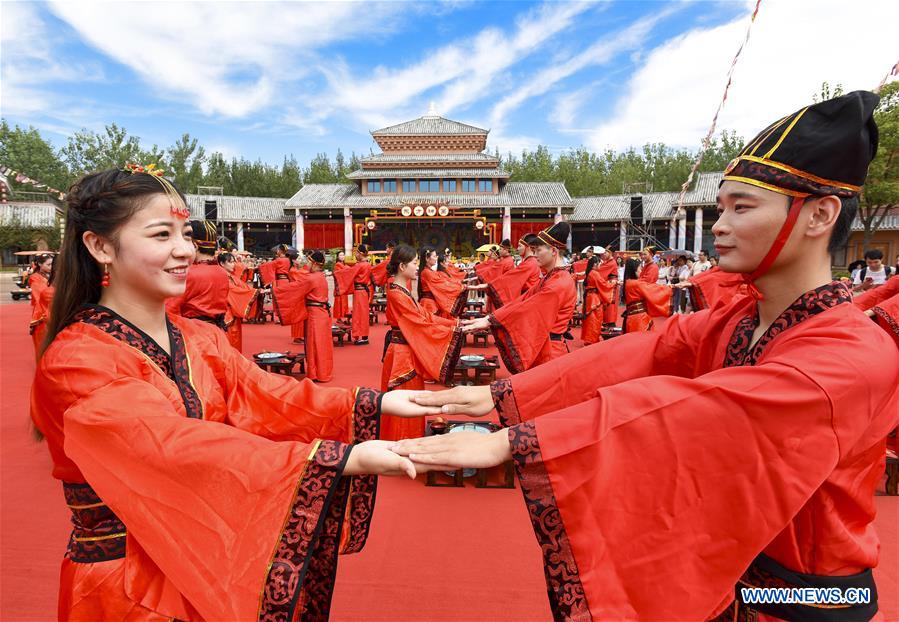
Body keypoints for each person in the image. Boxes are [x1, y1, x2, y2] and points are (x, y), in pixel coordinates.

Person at [392, 91, 898, 621]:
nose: (719, 226)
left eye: (741, 208)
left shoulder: (852, 353)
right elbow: (646, 351)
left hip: (805, 598)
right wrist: (500, 394)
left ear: (820, 215)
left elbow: (708, 410)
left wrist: (517, 440)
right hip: (726, 573)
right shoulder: (740, 320)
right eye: (720, 207)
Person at [31, 165, 425, 621]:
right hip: (124, 582)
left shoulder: (199, 338)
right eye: (162, 235)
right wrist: (338, 459)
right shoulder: (76, 360)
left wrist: (375, 403)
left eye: (186, 233)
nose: (184, 250)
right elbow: (170, 446)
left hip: (202, 557)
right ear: (100, 246)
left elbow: (268, 396)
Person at [461, 223, 576, 373]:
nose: (535, 255)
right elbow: (522, 301)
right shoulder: (552, 277)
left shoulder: (558, 283)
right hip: (544, 345)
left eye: (538, 250)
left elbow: (528, 308)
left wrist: (491, 321)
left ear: (553, 251)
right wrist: (490, 318)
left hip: (550, 351)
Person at [380, 244, 464, 440]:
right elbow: (419, 321)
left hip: (406, 351)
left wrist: (455, 323)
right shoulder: (396, 292)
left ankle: (409, 438)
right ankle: (401, 442)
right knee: (405, 401)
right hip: (401, 355)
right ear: (402, 266)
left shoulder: (400, 288)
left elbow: (423, 314)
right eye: (414, 263)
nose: (417, 267)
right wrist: (452, 328)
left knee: (412, 398)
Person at [272, 251, 335, 382]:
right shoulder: (320, 276)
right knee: (323, 344)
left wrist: (275, 291)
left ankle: (316, 373)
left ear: (314, 263)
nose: (306, 264)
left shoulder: (311, 278)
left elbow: (295, 288)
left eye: (308, 261)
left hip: (315, 315)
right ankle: (324, 372)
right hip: (322, 313)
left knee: (314, 344)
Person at [165, 220, 229, 331]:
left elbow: (170, 309)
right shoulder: (223, 272)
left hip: (194, 333)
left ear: (194, 245)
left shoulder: (189, 273)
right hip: (217, 332)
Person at [468, 234, 542, 308]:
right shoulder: (528, 262)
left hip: (526, 300)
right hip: (524, 297)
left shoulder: (529, 263)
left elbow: (509, 278)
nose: (517, 249)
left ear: (528, 247)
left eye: (519, 246)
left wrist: (488, 285)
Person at [216, 251, 260, 352]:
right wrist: (256, 292)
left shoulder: (231, 276)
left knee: (235, 340)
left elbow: (243, 287)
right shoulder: (222, 277)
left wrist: (255, 291)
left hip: (233, 311)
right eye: (230, 262)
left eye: (234, 261)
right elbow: (235, 291)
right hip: (226, 313)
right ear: (222, 264)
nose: (234, 264)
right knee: (230, 342)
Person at [334, 244, 373, 345]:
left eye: (356, 252)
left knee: (359, 314)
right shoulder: (367, 264)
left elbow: (349, 272)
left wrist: (336, 274)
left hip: (360, 292)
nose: (355, 254)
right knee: (363, 314)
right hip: (363, 291)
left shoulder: (360, 265)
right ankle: (364, 335)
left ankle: (362, 336)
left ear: (360, 253)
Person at [417, 247, 467, 318]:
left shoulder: (430, 272)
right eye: (434, 256)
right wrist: (462, 287)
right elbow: (444, 285)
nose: (436, 258)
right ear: (427, 258)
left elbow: (446, 282)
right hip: (429, 304)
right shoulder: (427, 272)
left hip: (432, 302)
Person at [580, 256, 614, 344]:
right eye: (599, 263)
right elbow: (603, 284)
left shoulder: (590, 272)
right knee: (595, 319)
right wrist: (612, 283)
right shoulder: (595, 273)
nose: (600, 265)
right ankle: (592, 339)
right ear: (595, 264)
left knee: (590, 319)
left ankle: (589, 339)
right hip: (594, 298)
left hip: (590, 297)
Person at [28, 253, 54, 359]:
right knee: (42, 346)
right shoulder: (35, 278)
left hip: (52, 312)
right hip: (42, 315)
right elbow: (42, 297)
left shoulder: (52, 275)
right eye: (48, 264)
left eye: (52, 264)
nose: (51, 267)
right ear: (39, 264)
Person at [332, 249, 350, 320]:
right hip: (340, 287)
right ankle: (339, 318)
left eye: (343, 255)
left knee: (344, 301)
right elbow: (339, 274)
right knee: (339, 302)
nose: (342, 256)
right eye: (340, 255)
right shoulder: (337, 264)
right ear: (337, 257)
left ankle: (343, 316)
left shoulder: (343, 264)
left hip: (344, 286)